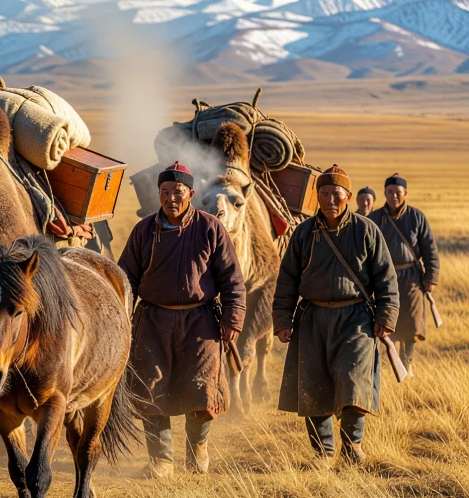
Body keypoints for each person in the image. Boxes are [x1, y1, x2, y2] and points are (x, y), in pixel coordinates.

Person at [119, 162, 246, 478]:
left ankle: (197, 450)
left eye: (178, 192)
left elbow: (232, 278)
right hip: (153, 322)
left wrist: (233, 318)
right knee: (150, 389)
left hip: (200, 323)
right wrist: (120, 319)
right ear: (158, 194)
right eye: (165, 192)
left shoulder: (210, 228)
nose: (171, 198)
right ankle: (160, 461)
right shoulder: (144, 231)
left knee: (203, 389)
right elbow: (125, 279)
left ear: (190, 193)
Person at [273, 166, 398, 468]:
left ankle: (352, 445)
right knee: (313, 384)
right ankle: (323, 453)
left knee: (354, 381)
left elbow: (385, 277)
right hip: (312, 318)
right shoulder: (304, 233)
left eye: (336, 194)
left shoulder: (366, 230)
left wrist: (386, 315)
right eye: (324, 194)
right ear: (317, 196)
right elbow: (287, 279)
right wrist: (282, 319)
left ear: (348, 196)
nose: (330, 199)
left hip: (356, 319)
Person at [368, 173, 438, 367]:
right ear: (384, 193)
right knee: (387, 318)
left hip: (412, 277)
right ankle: (390, 361)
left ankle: (407, 362)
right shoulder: (374, 218)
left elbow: (429, 248)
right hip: (383, 277)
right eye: (390, 192)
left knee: (412, 321)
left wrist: (431, 277)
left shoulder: (417, 217)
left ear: (405, 193)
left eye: (398, 192)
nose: (394, 196)